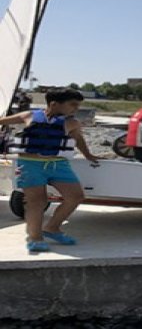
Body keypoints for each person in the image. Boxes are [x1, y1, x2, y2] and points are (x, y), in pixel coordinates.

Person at [0, 88, 100, 252]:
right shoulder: (28, 116)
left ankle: (52, 228)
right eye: (72, 104)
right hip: (30, 164)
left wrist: (88, 155)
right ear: (54, 104)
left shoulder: (72, 123)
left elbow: (79, 140)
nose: (75, 108)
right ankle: (35, 238)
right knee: (36, 202)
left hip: (58, 165)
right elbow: (2, 121)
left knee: (75, 196)